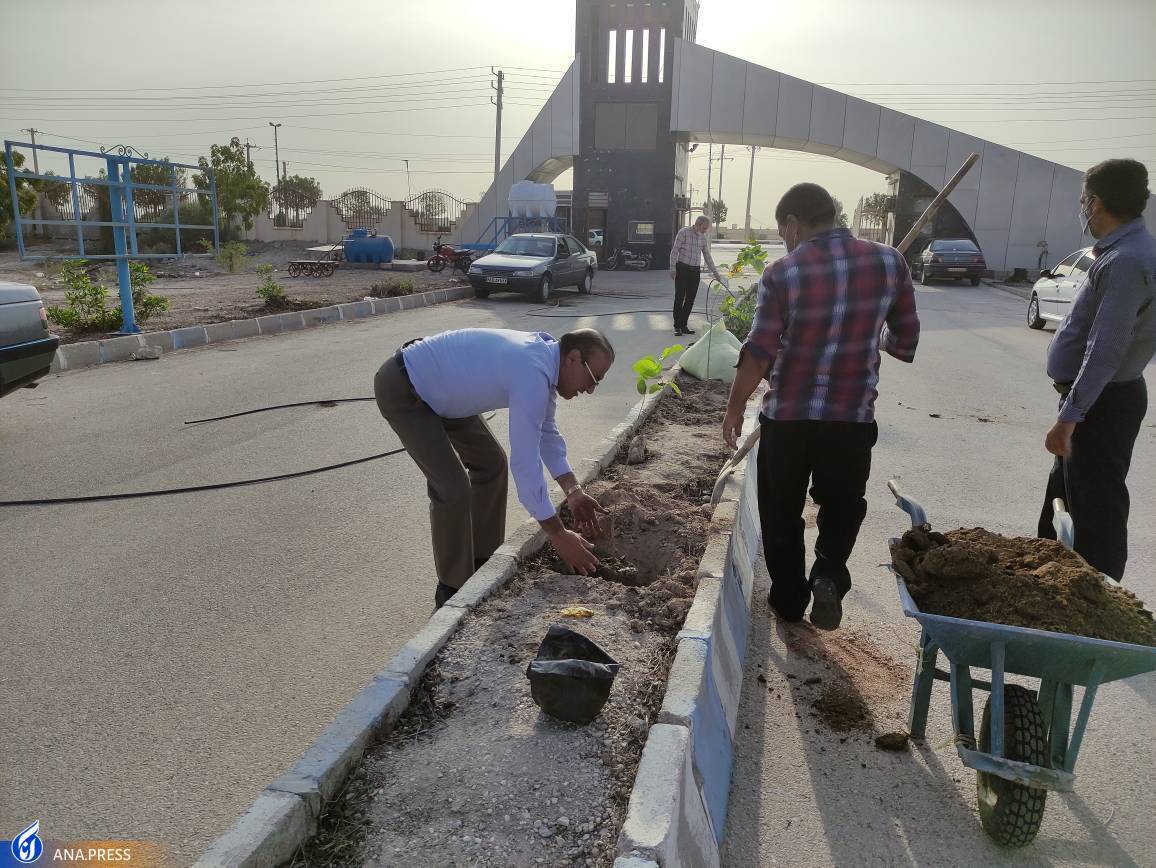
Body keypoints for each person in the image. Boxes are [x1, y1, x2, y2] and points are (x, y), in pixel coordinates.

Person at [722, 183, 920, 630]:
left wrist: (733, 410)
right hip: (850, 420)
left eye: (782, 232)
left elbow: (758, 352)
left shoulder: (782, 273)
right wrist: (872, 333)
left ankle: (790, 599)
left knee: (781, 511)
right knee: (842, 505)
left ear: (792, 224)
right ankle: (829, 573)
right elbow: (906, 341)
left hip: (789, 419)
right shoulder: (890, 262)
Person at [375, 327, 615, 608]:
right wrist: (558, 534)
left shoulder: (546, 363)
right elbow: (526, 462)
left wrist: (573, 491)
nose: (590, 388)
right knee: (452, 489)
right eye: (593, 377)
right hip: (407, 388)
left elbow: (546, 434)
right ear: (573, 358)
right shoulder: (532, 370)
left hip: (447, 392)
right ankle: (452, 591)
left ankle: (483, 563)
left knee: (491, 464)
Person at [1037, 158, 1156, 580]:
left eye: (1084, 199)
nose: (1083, 207)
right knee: (1064, 504)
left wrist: (1068, 419)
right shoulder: (1123, 252)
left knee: (1095, 512)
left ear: (1096, 201)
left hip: (1102, 403)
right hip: (1097, 399)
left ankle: (1096, 606)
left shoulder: (1126, 260)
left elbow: (1105, 350)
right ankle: (1047, 590)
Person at [669, 215, 726, 337]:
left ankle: (683, 325)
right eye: (704, 228)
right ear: (698, 224)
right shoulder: (683, 232)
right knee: (679, 297)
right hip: (682, 269)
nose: (705, 230)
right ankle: (677, 326)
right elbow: (674, 251)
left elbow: (707, 256)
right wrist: (673, 268)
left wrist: (716, 273)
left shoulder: (703, 238)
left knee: (690, 299)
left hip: (695, 271)